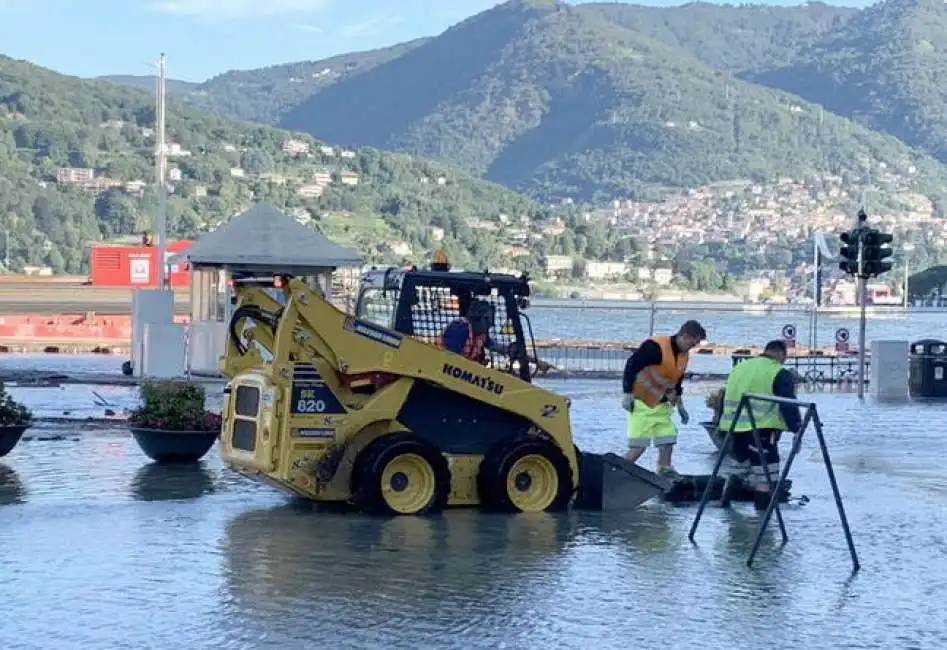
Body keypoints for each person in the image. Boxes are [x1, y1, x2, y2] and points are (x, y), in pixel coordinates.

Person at [717, 339, 802, 510]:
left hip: (732, 429)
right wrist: (797, 428)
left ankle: (727, 516)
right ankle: (762, 525)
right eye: (784, 358)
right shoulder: (777, 372)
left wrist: (719, 422)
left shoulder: (741, 367)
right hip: (760, 431)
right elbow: (788, 404)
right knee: (766, 478)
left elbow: (723, 395)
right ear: (780, 354)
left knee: (738, 470)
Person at [621, 320, 707, 476]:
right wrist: (627, 393)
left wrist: (680, 404)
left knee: (667, 440)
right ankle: (616, 473)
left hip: (662, 405)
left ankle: (664, 470)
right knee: (638, 448)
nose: (692, 347)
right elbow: (632, 364)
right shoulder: (656, 347)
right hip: (642, 403)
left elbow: (677, 380)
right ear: (685, 336)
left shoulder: (683, 355)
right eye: (692, 344)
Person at [439, 300, 507, 364]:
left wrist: (509, 349)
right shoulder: (459, 329)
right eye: (488, 320)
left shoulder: (480, 334)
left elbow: (493, 346)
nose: (491, 324)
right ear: (477, 318)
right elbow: (450, 359)